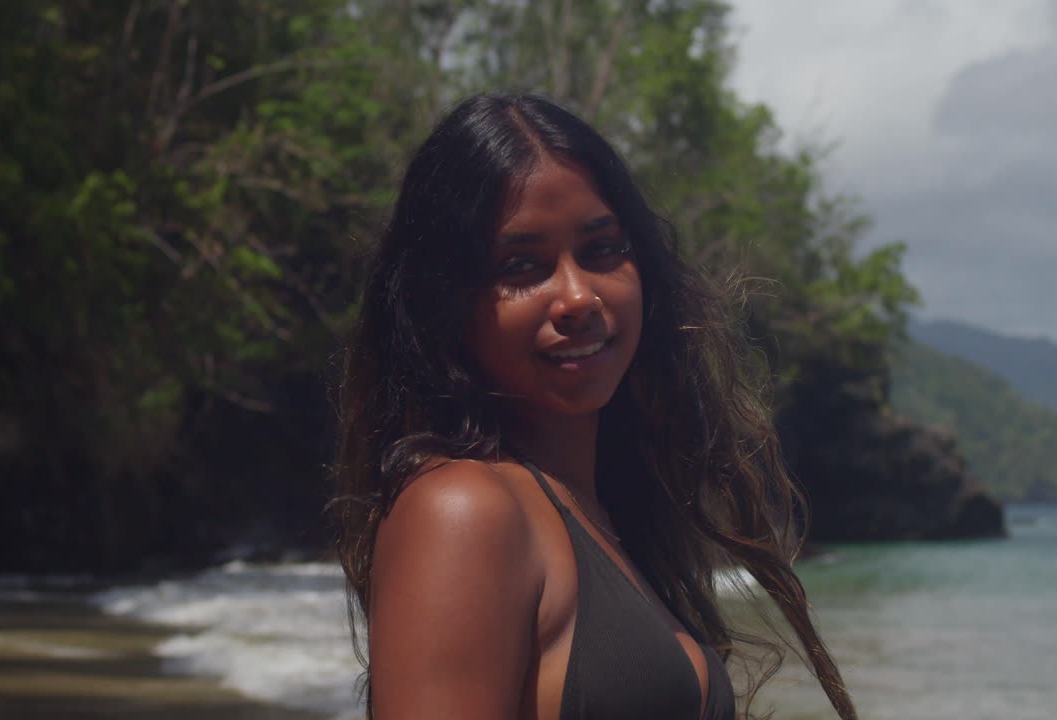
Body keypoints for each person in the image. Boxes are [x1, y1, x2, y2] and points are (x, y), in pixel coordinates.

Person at [331, 94, 855, 720]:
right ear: (448, 303)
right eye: (521, 266)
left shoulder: (603, 511)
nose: (577, 296)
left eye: (603, 250)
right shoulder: (465, 511)